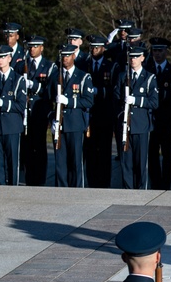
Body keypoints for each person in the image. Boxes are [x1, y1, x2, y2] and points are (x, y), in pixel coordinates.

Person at [116, 44, 158, 189]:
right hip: (125, 126)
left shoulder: (149, 78)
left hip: (141, 125)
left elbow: (154, 102)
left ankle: (142, 190)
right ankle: (128, 190)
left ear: (142, 58)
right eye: (131, 57)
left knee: (141, 163)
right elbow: (115, 98)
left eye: (136, 57)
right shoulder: (123, 76)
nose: (133, 60)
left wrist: (136, 101)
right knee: (126, 162)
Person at [52, 43, 95, 188]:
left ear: (73, 56)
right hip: (59, 124)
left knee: (76, 161)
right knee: (60, 162)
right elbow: (48, 99)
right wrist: (52, 117)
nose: (65, 58)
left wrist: (69, 101)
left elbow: (89, 101)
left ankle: (77, 191)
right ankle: (61, 190)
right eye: (62, 55)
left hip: (75, 123)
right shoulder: (55, 76)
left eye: (68, 55)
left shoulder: (83, 77)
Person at [16, 34, 57, 186]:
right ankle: (29, 178)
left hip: (39, 111)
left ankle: (39, 180)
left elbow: (50, 90)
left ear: (42, 48)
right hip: (25, 112)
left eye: (35, 46)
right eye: (30, 47)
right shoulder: (21, 65)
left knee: (39, 147)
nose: (32, 49)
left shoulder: (49, 66)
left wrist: (34, 86)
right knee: (27, 147)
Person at [80, 34, 116, 188]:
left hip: (104, 114)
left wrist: (98, 91)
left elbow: (114, 90)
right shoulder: (84, 65)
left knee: (104, 151)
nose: (94, 50)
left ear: (103, 48)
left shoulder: (110, 67)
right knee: (90, 151)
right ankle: (92, 181)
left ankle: (104, 182)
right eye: (92, 47)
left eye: (97, 47)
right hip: (88, 114)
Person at [0, 45, 27, 186]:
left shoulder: (18, 80)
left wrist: (3, 103)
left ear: (10, 58)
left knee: (12, 162)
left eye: (3, 57)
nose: (0, 60)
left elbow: (21, 106)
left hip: (12, 126)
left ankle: (13, 188)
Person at [145, 37, 171, 190]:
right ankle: (155, 183)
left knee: (167, 154)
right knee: (152, 154)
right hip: (150, 118)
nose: (157, 54)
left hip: (166, 119)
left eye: (160, 50)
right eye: (155, 50)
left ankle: (166, 184)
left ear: (166, 51)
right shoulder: (147, 70)